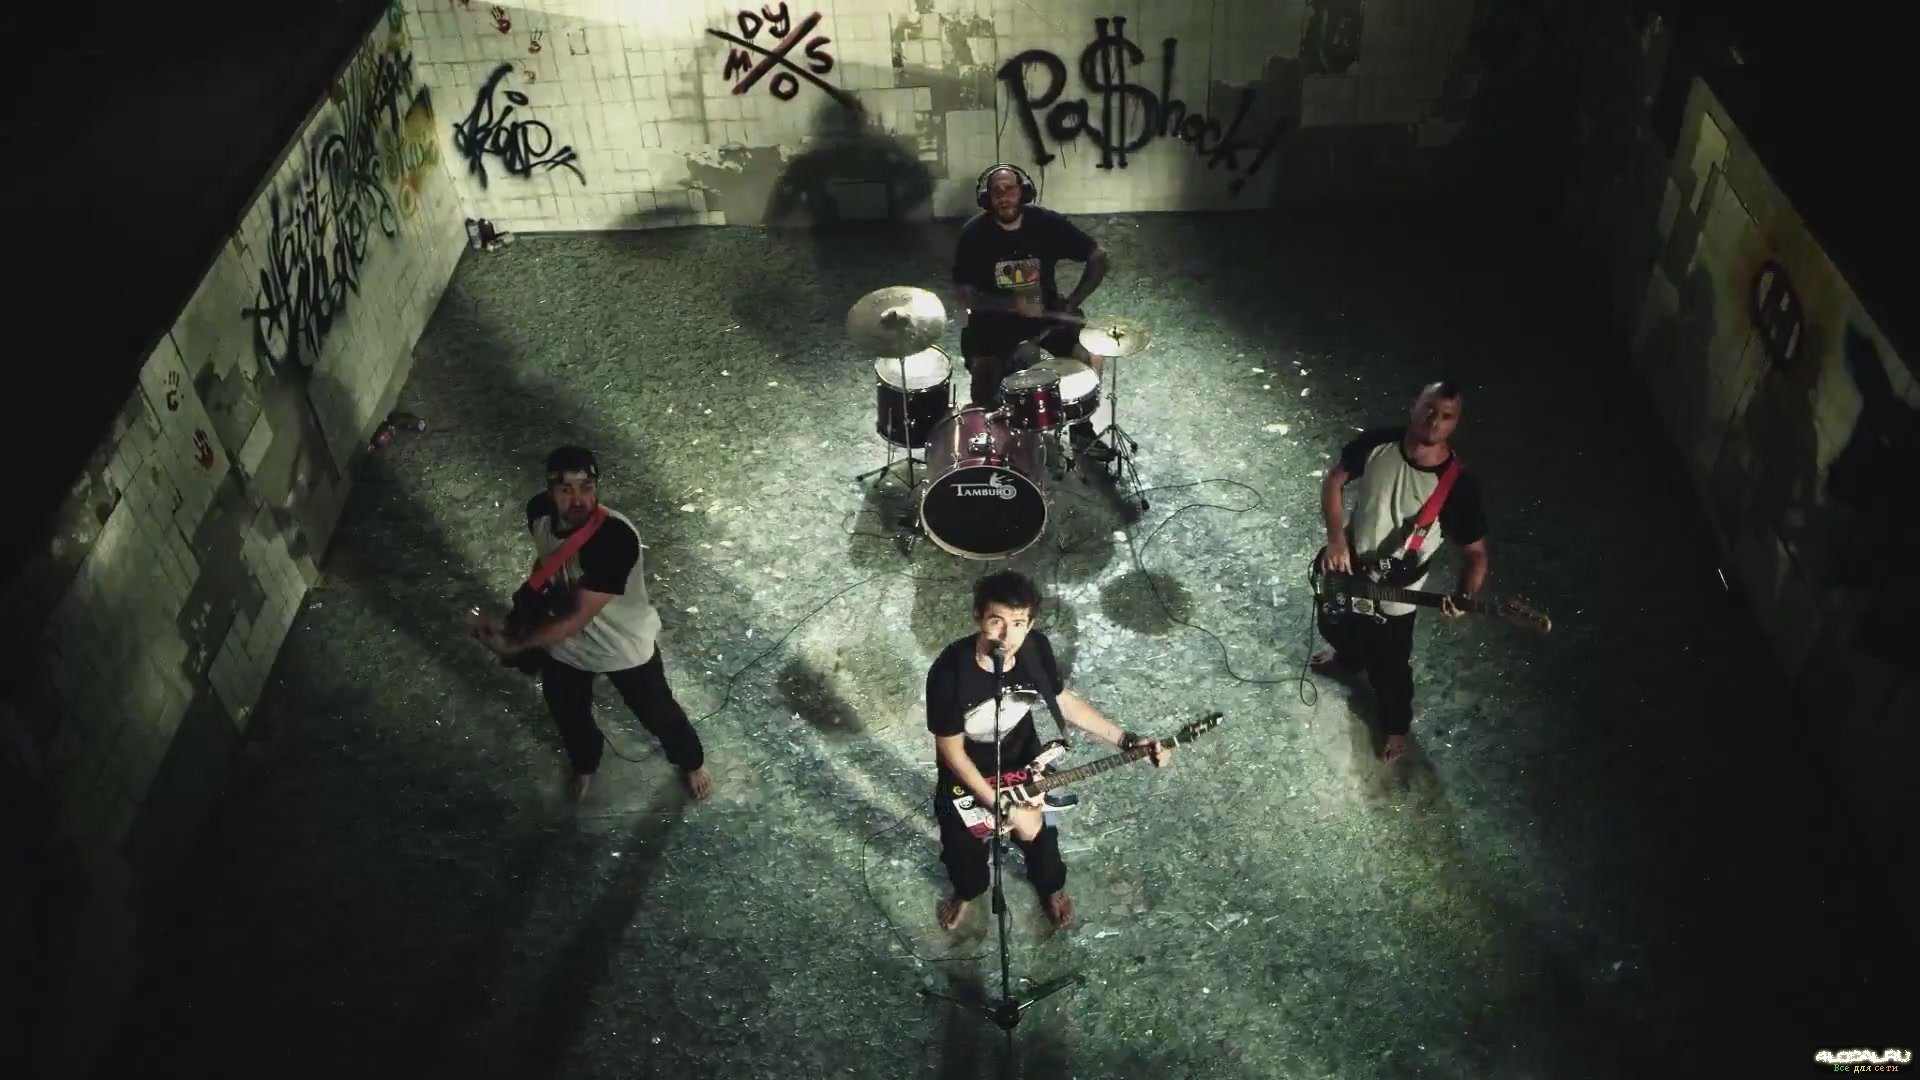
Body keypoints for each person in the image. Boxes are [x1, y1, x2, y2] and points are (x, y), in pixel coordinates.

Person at [925, 570, 1170, 933]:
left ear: (1030, 624)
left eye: (1018, 624)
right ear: (978, 616)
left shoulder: (1035, 649)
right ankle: (968, 891)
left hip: (1022, 760)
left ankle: (1051, 888)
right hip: (968, 773)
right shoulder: (949, 673)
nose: (1006, 637)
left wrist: (1125, 739)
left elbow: (1063, 701)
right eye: (996, 621)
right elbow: (952, 752)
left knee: (1038, 837)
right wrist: (998, 804)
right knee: (964, 855)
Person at [473, 446, 713, 802]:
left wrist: (515, 644)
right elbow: (548, 556)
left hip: (622, 646)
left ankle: (691, 762)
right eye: (565, 489)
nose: (578, 499)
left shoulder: (614, 539)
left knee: (659, 714)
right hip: (566, 649)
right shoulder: (539, 513)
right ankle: (584, 764)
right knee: (569, 716)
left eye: (586, 486)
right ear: (550, 491)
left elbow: (577, 617)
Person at [1314, 381, 1490, 764]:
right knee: (1333, 621)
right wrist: (1336, 540)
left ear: (1456, 424)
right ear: (1414, 407)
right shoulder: (1379, 443)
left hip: (1398, 588)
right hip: (1350, 561)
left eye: (1447, 416)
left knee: (1391, 665)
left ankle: (1395, 727)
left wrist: (1464, 595)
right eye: (1429, 409)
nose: (1434, 421)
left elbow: (1476, 554)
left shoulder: (1459, 486)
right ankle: (1348, 659)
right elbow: (1335, 479)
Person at [952, 163, 1113, 458]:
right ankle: (991, 437)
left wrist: (1072, 302)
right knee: (984, 377)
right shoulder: (973, 233)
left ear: (1023, 191)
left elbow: (1098, 257)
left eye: (1009, 189)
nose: (1004, 197)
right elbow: (964, 296)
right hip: (992, 319)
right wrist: (1010, 304)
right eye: (997, 192)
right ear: (986, 198)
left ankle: (1081, 430)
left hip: (1044, 315)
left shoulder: (1046, 223)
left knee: (1088, 353)